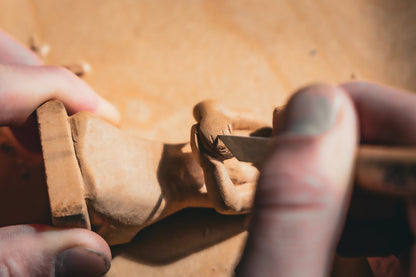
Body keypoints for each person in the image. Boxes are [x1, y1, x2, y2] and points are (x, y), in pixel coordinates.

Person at [0, 29, 414, 276]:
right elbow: (210, 108)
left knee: (109, 192)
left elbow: (228, 202)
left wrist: (211, 158)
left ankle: (84, 212)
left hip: (163, 189)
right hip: (153, 153)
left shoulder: (266, 188)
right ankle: (65, 145)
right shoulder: (267, 131)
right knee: (94, 135)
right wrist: (211, 120)